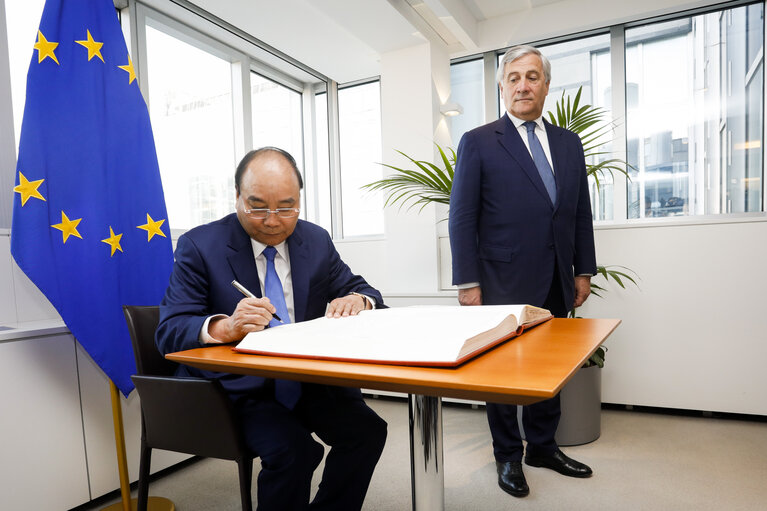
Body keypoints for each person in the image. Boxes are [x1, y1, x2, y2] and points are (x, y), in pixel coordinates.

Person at [156, 147, 387, 511]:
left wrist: (359, 299)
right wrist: (226, 326)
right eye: (257, 206)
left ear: (299, 201)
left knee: (368, 432)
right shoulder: (200, 246)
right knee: (296, 451)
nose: (272, 220)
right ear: (237, 198)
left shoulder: (314, 240)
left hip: (307, 382)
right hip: (240, 390)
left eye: (286, 206)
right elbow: (169, 330)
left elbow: (367, 291)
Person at [448, 45, 597, 498]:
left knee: (549, 370)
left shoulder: (569, 144)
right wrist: (469, 283)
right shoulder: (478, 141)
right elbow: (462, 217)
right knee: (503, 374)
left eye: (532, 77)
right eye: (513, 78)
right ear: (501, 86)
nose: (522, 85)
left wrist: (583, 269)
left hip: (557, 276)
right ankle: (509, 456)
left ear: (546, 86)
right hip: (500, 282)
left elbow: (578, 214)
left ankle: (543, 446)